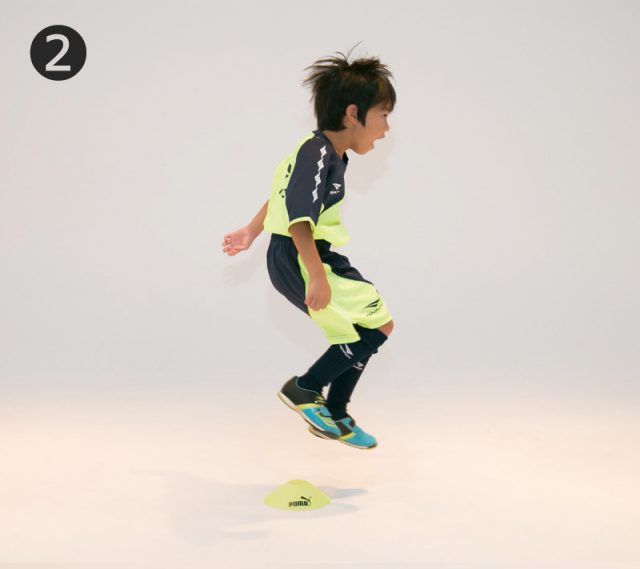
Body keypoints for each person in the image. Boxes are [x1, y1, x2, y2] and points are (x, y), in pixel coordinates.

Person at [222, 49, 396, 450]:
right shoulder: (317, 154)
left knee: (366, 329)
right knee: (379, 325)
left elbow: (282, 196)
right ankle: (306, 388)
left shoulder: (323, 153)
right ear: (353, 114)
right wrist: (316, 273)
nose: (386, 129)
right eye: (384, 115)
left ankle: (334, 413)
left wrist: (251, 230)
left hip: (299, 254)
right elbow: (299, 219)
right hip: (303, 255)